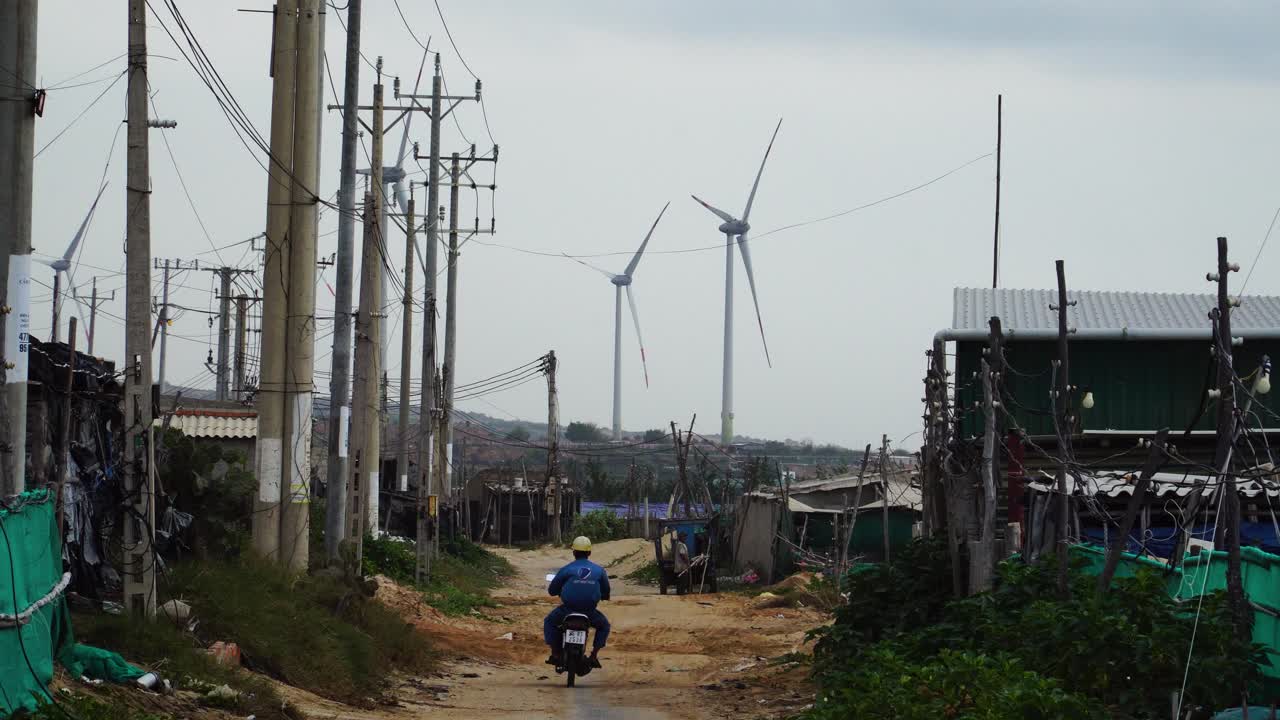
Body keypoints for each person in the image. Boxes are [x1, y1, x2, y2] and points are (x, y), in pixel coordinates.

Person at [545, 536, 611, 668]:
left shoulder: (567, 569)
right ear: (589, 553)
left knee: (550, 622)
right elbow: (606, 590)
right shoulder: (599, 570)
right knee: (604, 626)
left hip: (567, 610)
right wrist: (604, 596)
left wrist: (558, 591)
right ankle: (594, 655)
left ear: (574, 552)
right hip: (589, 612)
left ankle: (555, 654)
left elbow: (552, 590)